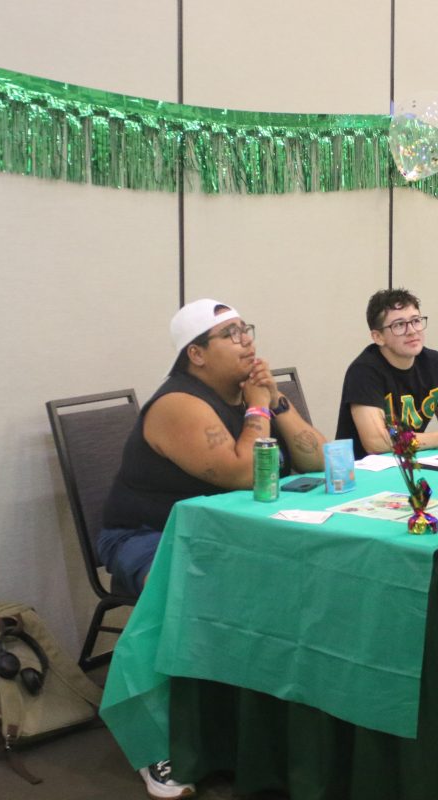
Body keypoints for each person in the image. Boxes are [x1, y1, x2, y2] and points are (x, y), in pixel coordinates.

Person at [97, 298, 327, 799]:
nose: (247, 341)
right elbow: (246, 472)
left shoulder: (250, 392)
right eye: (232, 335)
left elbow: (318, 460)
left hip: (230, 532)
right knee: (207, 587)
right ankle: (161, 742)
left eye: (247, 330)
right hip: (147, 536)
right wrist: (260, 408)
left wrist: (274, 401)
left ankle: (265, 728)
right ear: (196, 354)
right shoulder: (179, 403)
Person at [334, 288, 438, 458]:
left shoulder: (434, 362)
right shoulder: (363, 371)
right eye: (399, 325)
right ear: (378, 337)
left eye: (416, 321)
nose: (412, 331)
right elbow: (376, 442)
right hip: (364, 474)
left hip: (410, 463)